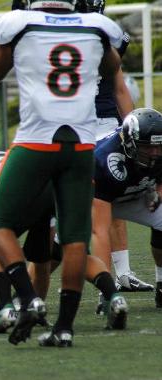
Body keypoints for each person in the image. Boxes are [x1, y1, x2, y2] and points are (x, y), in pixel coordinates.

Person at [0, 0, 123, 347]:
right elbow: (111, 67)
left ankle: (30, 298)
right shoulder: (97, 25)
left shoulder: (19, 23)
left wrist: (14, 43)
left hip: (36, 142)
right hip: (81, 146)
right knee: (75, 239)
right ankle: (64, 327)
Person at [0, 151, 127, 332]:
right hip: (63, 185)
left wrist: (1, 239)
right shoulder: (13, 162)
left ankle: (5, 307)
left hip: (29, 188)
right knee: (54, 255)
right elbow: (42, 260)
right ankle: (114, 297)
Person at [78, 0, 154, 294]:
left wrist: (129, 124)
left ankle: (123, 273)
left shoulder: (110, 34)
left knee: (114, 187)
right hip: (71, 123)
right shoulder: (52, 33)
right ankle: (88, 274)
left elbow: (119, 86)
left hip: (106, 120)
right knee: (72, 201)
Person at [92, 108, 162, 310]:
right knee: (57, 248)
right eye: (148, 147)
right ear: (129, 142)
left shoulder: (157, 150)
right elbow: (100, 231)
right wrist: (107, 292)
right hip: (93, 198)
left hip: (131, 195)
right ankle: (26, 294)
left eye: (158, 147)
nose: (155, 153)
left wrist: (156, 192)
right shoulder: (106, 160)